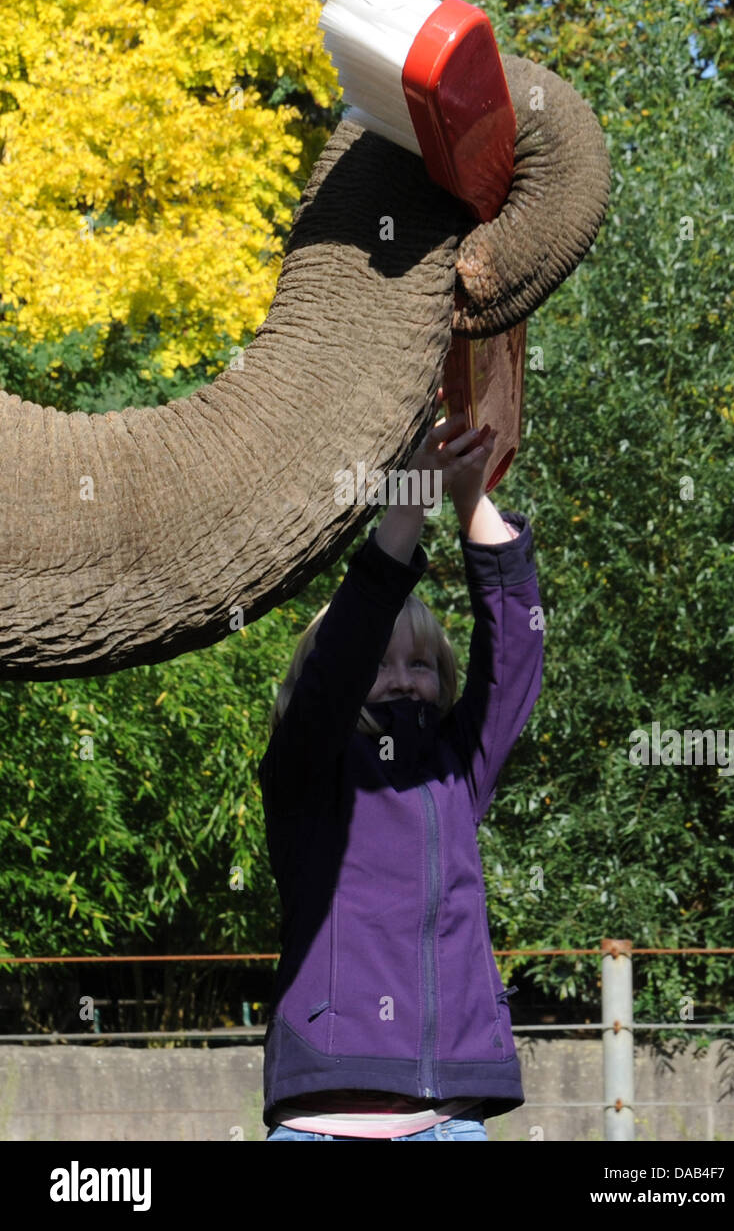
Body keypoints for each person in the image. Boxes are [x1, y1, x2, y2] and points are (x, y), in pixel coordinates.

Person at [258, 388, 543, 1140]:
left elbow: (514, 660)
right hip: (323, 1120)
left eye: (421, 662)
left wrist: (471, 500)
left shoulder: (454, 770)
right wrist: (409, 504)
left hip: (448, 1120)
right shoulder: (304, 771)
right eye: (380, 664)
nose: (401, 677)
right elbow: (340, 658)